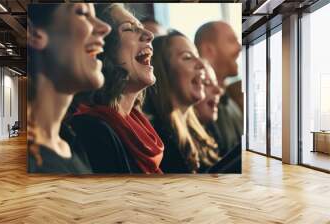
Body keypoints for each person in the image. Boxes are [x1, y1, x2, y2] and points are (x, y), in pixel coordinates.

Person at [69, 4, 164, 174]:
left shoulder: (141, 127)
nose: (150, 35)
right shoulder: (91, 131)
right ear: (100, 49)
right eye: (129, 29)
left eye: (142, 28)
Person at [27, 3, 111, 173]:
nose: (105, 27)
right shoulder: (29, 160)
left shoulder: (69, 147)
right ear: (35, 34)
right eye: (82, 12)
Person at [145, 31, 219, 173]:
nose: (201, 65)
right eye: (187, 57)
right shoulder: (157, 139)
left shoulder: (203, 133)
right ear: (164, 72)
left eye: (197, 57)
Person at [194, 21, 243, 156]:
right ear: (208, 50)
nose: (240, 47)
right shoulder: (198, 106)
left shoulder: (230, 101)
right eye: (232, 41)